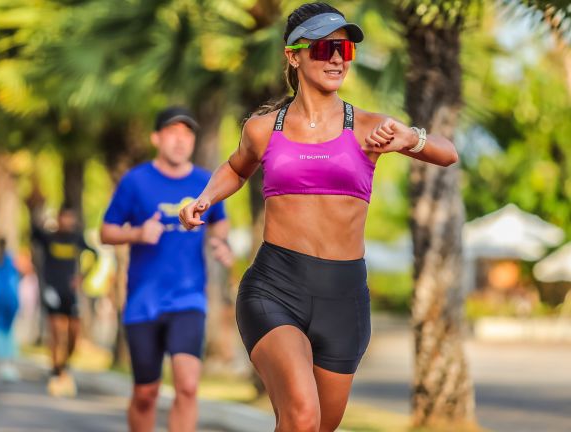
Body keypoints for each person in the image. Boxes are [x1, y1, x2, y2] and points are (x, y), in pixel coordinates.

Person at [179, 3, 459, 431]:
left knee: (310, 426)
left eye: (344, 50)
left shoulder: (368, 127)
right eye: (325, 47)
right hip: (275, 287)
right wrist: (204, 198)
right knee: (303, 415)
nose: (335, 58)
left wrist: (411, 137)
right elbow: (237, 168)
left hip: (344, 298)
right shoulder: (263, 128)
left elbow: (447, 153)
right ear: (293, 55)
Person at [100, 106, 233, 432]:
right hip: (143, 302)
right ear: (156, 138)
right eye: (173, 133)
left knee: (187, 387)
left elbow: (220, 222)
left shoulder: (205, 181)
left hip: (188, 299)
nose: (180, 141)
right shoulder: (135, 181)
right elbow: (105, 231)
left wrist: (218, 242)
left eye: (187, 134)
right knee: (146, 393)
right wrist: (136, 233)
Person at [30, 205, 98, 396]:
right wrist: (36, 206)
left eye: (70, 218)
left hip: (71, 292)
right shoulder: (48, 237)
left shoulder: (77, 238)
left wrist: (82, 276)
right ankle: (55, 369)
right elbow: (33, 231)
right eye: (64, 217)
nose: (67, 222)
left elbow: (95, 255)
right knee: (57, 330)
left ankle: (65, 364)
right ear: (58, 218)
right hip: (53, 289)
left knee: (74, 332)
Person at [0, 237, 20, 382]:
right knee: (8, 331)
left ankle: (3, 362)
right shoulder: (10, 261)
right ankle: (8, 362)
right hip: (10, 299)